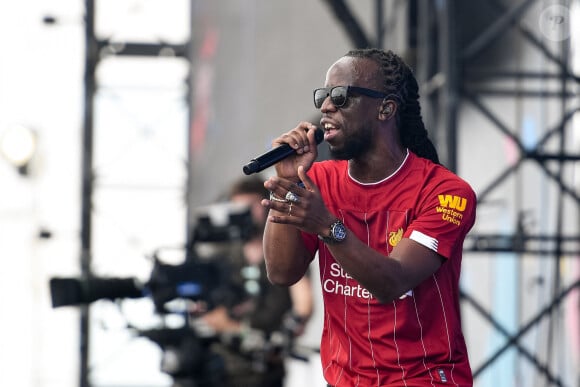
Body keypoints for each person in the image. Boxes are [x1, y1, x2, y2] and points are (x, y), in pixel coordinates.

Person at [261, 48, 476, 386]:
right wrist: (287, 183)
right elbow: (281, 272)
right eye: (324, 96)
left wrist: (327, 226)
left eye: (341, 96)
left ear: (385, 108)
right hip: (344, 379)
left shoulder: (445, 192)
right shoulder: (318, 182)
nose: (326, 107)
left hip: (421, 379)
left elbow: (392, 283)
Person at [199, 175, 313, 387]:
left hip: (266, 368)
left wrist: (279, 342)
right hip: (222, 365)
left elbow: (303, 307)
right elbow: (208, 313)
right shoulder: (222, 254)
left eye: (252, 206)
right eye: (238, 208)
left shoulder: (286, 250)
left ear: (266, 205)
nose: (246, 214)